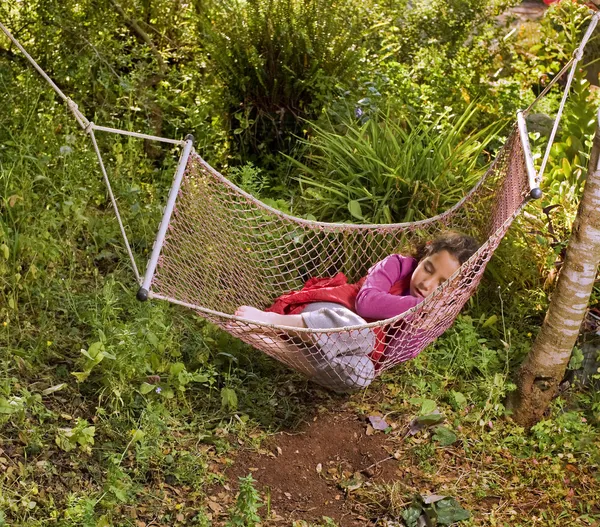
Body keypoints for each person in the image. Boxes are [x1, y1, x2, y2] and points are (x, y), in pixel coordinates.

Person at [235, 232, 479, 392]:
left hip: (344, 349)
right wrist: (418, 307)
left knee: (362, 375)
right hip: (327, 315)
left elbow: (392, 355)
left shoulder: (433, 315)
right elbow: (366, 303)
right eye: (428, 268)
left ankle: (263, 341)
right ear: (425, 254)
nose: (428, 284)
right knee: (363, 334)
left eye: (442, 283)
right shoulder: (395, 265)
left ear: (454, 291)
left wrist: (423, 323)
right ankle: (272, 322)